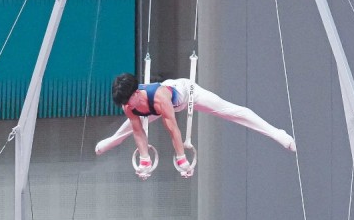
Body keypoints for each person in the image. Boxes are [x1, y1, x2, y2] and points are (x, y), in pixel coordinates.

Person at [97, 74, 295, 177]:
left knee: (232, 111)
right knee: (128, 128)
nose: (127, 105)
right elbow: (139, 132)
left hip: (189, 94)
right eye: (124, 103)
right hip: (153, 109)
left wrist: (182, 159)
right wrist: (144, 160)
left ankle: (276, 133)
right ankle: (112, 140)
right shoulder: (128, 105)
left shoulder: (159, 98)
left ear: (136, 93)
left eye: (128, 101)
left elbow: (173, 129)